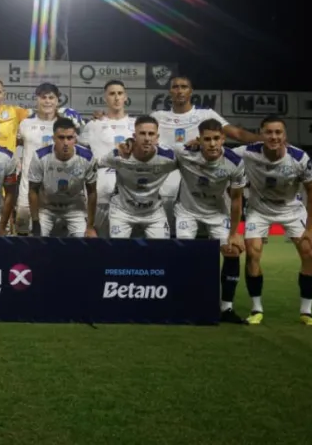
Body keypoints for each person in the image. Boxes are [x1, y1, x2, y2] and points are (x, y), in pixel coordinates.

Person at [235, 116, 312, 327]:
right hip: (259, 209)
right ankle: (256, 309)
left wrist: (310, 228)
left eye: (278, 132)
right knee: (253, 253)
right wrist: (198, 142)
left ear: (285, 135)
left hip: (291, 209)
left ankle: (306, 312)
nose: (273, 137)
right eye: (269, 132)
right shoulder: (248, 152)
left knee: (309, 253)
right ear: (261, 133)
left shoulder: (299, 158)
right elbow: (219, 151)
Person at [151, 75, 260, 232]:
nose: (179, 91)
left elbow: (237, 134)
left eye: (184, 87)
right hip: (166, 180)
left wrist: (266, 139)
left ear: (191, 91)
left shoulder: (205, 115)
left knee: (209, 234)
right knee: (169, 233)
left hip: (198, 177)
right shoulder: (158, 116)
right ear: (170, 91)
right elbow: (139, 134)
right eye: (175, 87)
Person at [173, 119, 248, 324]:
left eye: (216, 138)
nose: (212, 143)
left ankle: (226, 308)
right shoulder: (184, 153)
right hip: (187, 211)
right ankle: (187, 304)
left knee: (232, 251)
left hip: (217, 212)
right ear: (199, 139)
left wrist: (234, 233)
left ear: (223, 139)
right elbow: (155, 153)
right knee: (186, 254)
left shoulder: (234, 162)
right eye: (207, 139)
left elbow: (236, 199)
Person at [16, 82, 84, 234]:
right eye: (43, 97)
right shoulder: (25, 124)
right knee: (24, 225)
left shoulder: (66, 124)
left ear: (57, 100)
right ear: (37, 99)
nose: (47, 101)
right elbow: (16, 143)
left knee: (55, 229)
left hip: (58, 184)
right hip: (29, 183)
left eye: (51, 97)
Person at [98, 115, 177, 238]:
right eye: (142, 133)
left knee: (161, 252)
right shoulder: (119, 156)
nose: (147, 138)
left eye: (151, 134)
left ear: (157, 138)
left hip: (154, 213)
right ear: (134, 137)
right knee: (118, 252)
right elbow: (94, 164)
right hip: (122, 211)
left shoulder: (168, 159)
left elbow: (194, 159)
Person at [25, 117, 98, 237]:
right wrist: (35, 221)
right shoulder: (40, 156)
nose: (65, 143)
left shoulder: (87, 157)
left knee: (87, 242)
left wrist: (90, 226)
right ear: (53, 138)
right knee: (35, 240)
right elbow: (33, 190)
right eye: (61, 138)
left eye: (69, 138)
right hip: (46, 209)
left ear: (75, 139)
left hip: (75, 209)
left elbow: (92, 192)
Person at [80, 80, 135, 237]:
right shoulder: (93, 125)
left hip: (129, 197)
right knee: (97, 244)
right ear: (105, 98)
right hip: (99, 194)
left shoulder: (136, 125)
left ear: (125, 97)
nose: (116, 98)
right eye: (112, 94)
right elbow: (81, 159)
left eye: (120, 93)